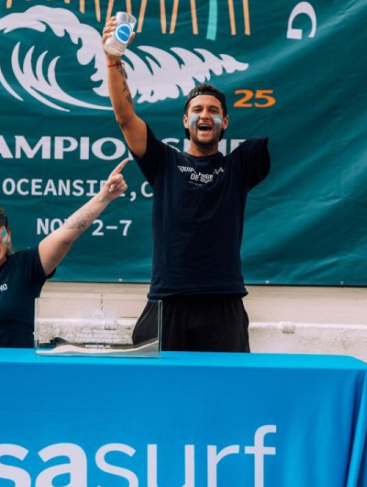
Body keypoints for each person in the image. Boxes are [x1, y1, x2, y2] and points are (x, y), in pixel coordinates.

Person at [101, 17, 270, 352]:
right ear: (185, 121)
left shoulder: (240, 164)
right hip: (168, 300)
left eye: (213, 110)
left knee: (225, 395)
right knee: (157, 396)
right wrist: (113, 59)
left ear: (225, 122)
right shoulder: (164, 161)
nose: (204, 115)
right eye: (196, 109)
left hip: (223, 302)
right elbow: (125, 116)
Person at [0, 123, 128, 348]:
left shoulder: (25, 267)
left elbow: (67, 233)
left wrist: (104, 197)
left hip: (18, 371)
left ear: (7, 234)